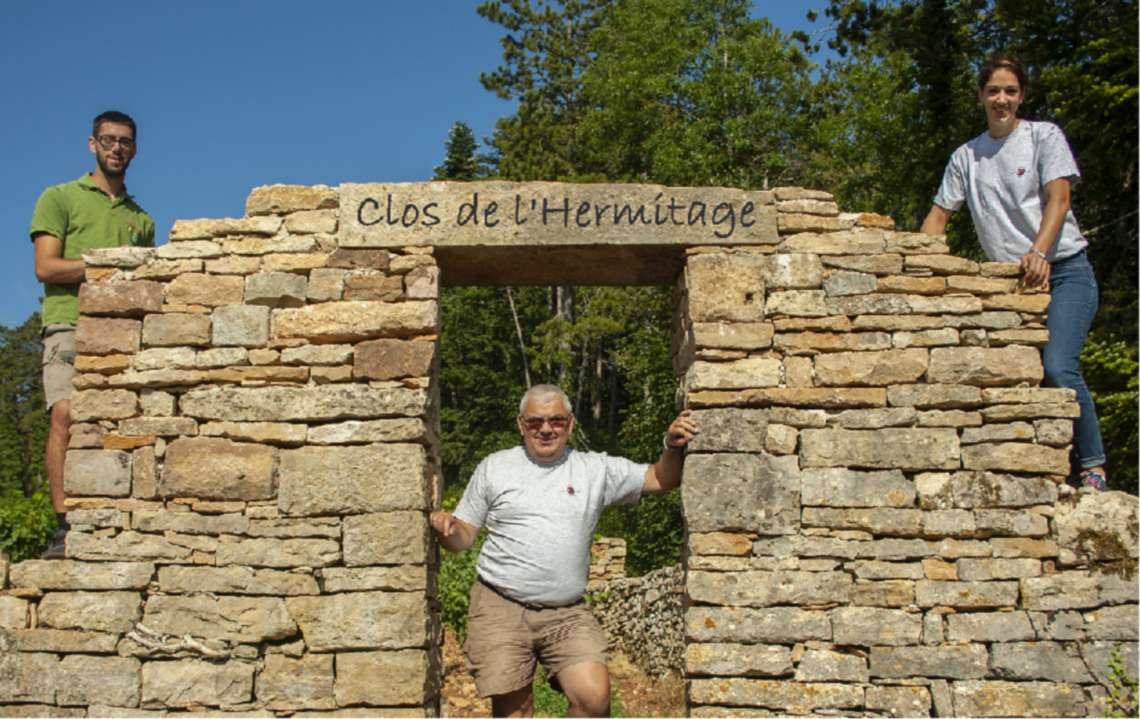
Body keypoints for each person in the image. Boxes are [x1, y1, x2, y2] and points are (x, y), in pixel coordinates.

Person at [430, 384, 698, 718]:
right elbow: (465, 536)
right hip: (501, 605)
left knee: (593, 699)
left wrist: (670, 446)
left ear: (570, 424)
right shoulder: (494, 467)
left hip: (567, 612)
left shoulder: (595, 469)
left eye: (555, 420)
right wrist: (447, 529)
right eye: (534, 422)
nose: (545, 429)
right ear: (520, 424)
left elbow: (660, 479)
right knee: (515, 710)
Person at [920, 53, 1107, 491]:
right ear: (980, 97)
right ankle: (1046, 474)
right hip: (1009, 287)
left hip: (1063, 271)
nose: (1001, 99)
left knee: (1059, 367)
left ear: (1021, 95)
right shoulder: (966, 157)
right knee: (1015, 378)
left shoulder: (1044, 137)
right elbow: (938, 218)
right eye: (992, 91)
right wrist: (913, 274)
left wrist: (1039, 252)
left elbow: (1059, 200)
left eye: (1010, 91)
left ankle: (1093, 465)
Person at [31, 111, 155, 558]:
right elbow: (46, 266)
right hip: (68, 321)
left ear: (134, 149)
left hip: (121, 330)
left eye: (124, 142)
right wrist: (105, 264)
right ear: (92, 144)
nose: (116, 148)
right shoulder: (60, 197)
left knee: (119, 423)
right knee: (64, 414)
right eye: (108, 140)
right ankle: (64, 527)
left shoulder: (141, 219)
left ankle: (120, 517)